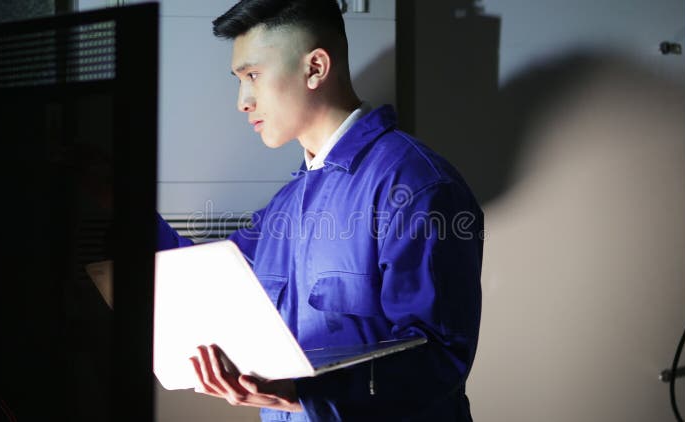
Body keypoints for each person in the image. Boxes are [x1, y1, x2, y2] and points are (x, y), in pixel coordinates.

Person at [157, 0, 483, 420]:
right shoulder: (288, 205)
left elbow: (441, 356)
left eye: (253, 75)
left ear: (315, 68)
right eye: (239, 80)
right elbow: (202, 278)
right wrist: (117, 198)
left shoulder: (414, 185)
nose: (243, 100)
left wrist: (303, 392)